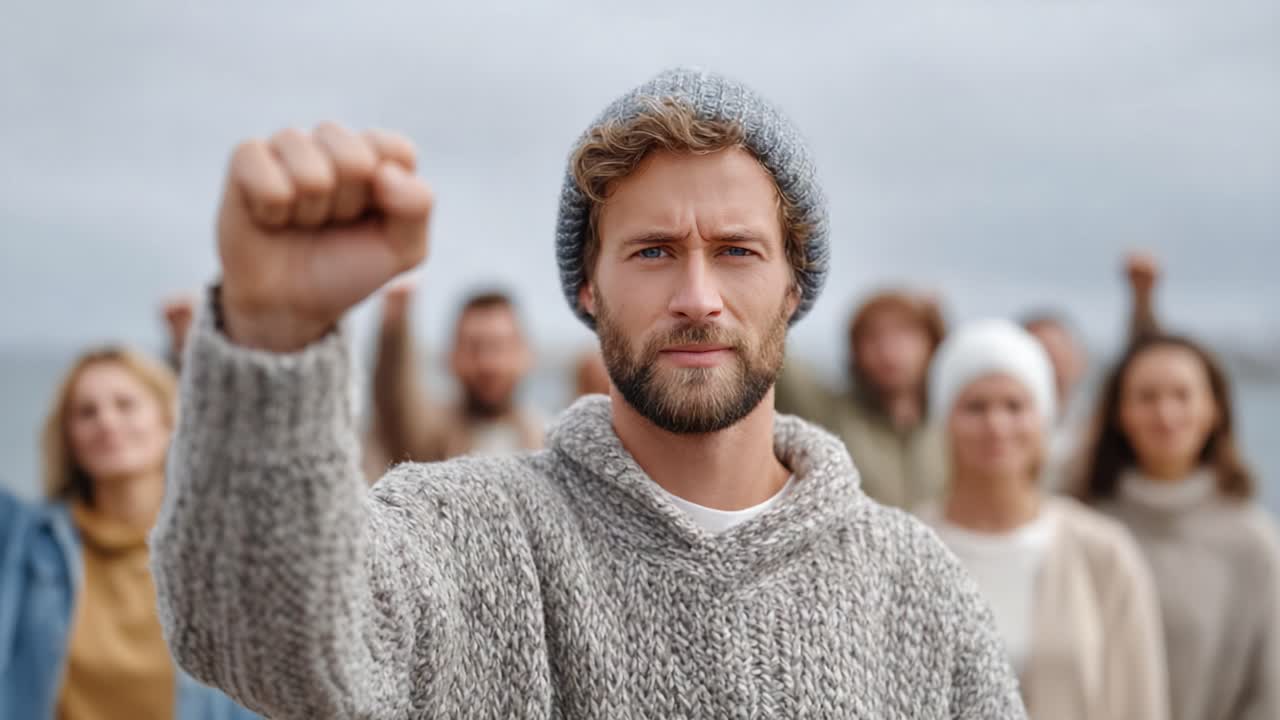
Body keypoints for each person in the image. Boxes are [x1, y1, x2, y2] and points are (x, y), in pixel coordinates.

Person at [150, 69, 1025, 718]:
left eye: (737, 250)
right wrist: (274, 339)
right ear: (587, 289)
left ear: (794, 288)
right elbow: (258, 640)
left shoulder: (915, 587)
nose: (697, 296)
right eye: (652, 251)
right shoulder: (468, 530)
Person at [919, 320, 1169, 719]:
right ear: (943, 418)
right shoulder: (903, 546)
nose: (996, 425)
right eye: (975, 406)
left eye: (1015, 406)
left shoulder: (1104, 552)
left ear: (1044, 418)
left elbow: (1140, 703)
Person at [0, 347, 256, 719]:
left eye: (125, 404)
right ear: (69, 437)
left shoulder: (225, 548)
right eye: (86, 412)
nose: (106, 421)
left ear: (169, 421)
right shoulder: (27, 539)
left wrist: (204, 352)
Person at [1076, 333, 1280, 720]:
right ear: (1119, 413)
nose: (1165, 415)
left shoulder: (1252, 541)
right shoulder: (1079, 525)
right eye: (1147, 397)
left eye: (1182, 395)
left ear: (1214, 409)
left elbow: (1268, 693)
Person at [776, 289, 948, 509]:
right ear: (854, 350)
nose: (888, 349)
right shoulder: (830, 414)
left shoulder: (954, 428)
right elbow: (782, 362)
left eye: (904, 333)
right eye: (872, 337)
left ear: (932, 343)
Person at [1022, 250, 1165, 484]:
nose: (1052, 364)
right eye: (1039, 353)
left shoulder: (1097, 422)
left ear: (1081, 361)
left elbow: (1145, 363)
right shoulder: (994, 427)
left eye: (1060, 352)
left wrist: (1142, 300)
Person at [372, 278, 542, 463]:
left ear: (527, 355)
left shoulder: (545, 445)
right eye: (474, 347)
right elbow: (395, 407)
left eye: (500, 346)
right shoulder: (431, 439)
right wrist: (396, 323)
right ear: (451, 357)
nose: (488, 363)